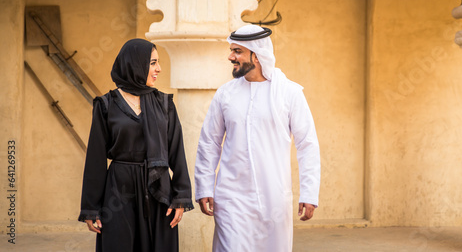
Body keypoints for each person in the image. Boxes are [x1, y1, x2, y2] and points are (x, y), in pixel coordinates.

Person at [194, 24, 321, 251]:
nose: (231, 57)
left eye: (238, 51)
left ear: (257, 54)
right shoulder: (225, 93)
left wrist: (309, 192)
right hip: (231, 198)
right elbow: (209, 143)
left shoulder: (289, 93)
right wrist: (204, 186)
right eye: (232, 50)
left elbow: (307, 145)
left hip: (273, 198)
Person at [78, 38, 193, 252]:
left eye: (158, 62)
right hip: (119, 191)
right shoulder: (106, 105)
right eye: (152, 63)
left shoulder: (164, 104)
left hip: (159, 188)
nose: (159, 69)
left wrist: (181, 196)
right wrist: (91, 208)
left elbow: (177, 152)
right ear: (135, 64)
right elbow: (95, 158)